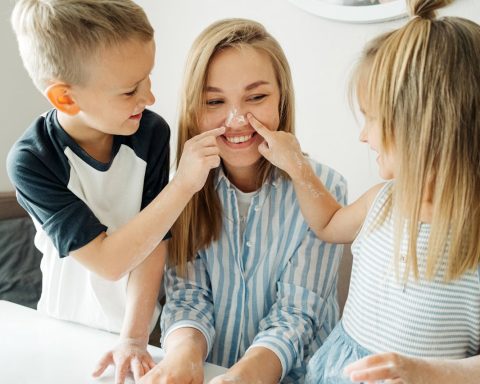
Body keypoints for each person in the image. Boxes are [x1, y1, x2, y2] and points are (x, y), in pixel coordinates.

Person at [250, 0, 480, 383]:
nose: (363, 134)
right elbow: (327, 223)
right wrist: (296, 165)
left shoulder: (473, 241)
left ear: (423, 126)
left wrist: (424, 372)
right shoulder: (384, 201)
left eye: (372, 118)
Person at [7, 1, 224, 382]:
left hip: (138, 332)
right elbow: (108, 261)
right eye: (129, 91)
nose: (150, 98)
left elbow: (155, 241)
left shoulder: (149, 133)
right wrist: (184, 184)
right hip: (64, 327)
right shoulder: (32, 161)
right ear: (65, 98)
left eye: (148, 78)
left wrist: (135, 338)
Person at [137, 18, 347, 384]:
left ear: (282, 97)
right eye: (215, 101)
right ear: (194, 108)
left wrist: (242, 377)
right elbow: (188, 296)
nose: (236, 120)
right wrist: (183, 357)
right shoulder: (182, 189)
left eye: (256, 97)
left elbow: (297, 314)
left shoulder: (325, 186)